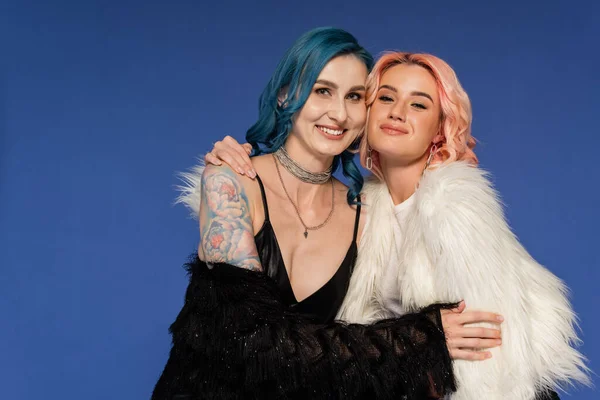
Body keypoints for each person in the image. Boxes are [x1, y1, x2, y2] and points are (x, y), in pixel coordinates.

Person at [203, 52, 589, 399]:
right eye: (386, 98)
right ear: (367, 115)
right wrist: (233, 168)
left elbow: (488, 362)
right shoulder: (364, 208)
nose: (398, 112)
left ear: (440, 129)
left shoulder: (456, 208)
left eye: (418, 104)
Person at [152, 28, 503, 399]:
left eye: (354, 97)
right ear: (286, 95)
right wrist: (423, 337)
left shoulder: (367, 213)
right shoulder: (231, 182)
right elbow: (249, 341)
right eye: (323, 91)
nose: (338, 113)